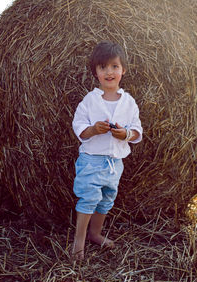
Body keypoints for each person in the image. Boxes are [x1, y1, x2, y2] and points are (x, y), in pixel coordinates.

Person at [72, 40, 143, 259]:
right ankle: (79, 241)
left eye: (114, 66)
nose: (109, 72)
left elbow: (137, 130)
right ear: (96, 72)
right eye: (103, 67)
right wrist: (93, 130)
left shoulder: (129, 102)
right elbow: (79, 127)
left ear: (123, 70)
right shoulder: (90, 100)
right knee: (88, 198)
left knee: (106, 199)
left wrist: (126, 134)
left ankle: (95, 233)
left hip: (115, 163)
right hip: (91, 160)